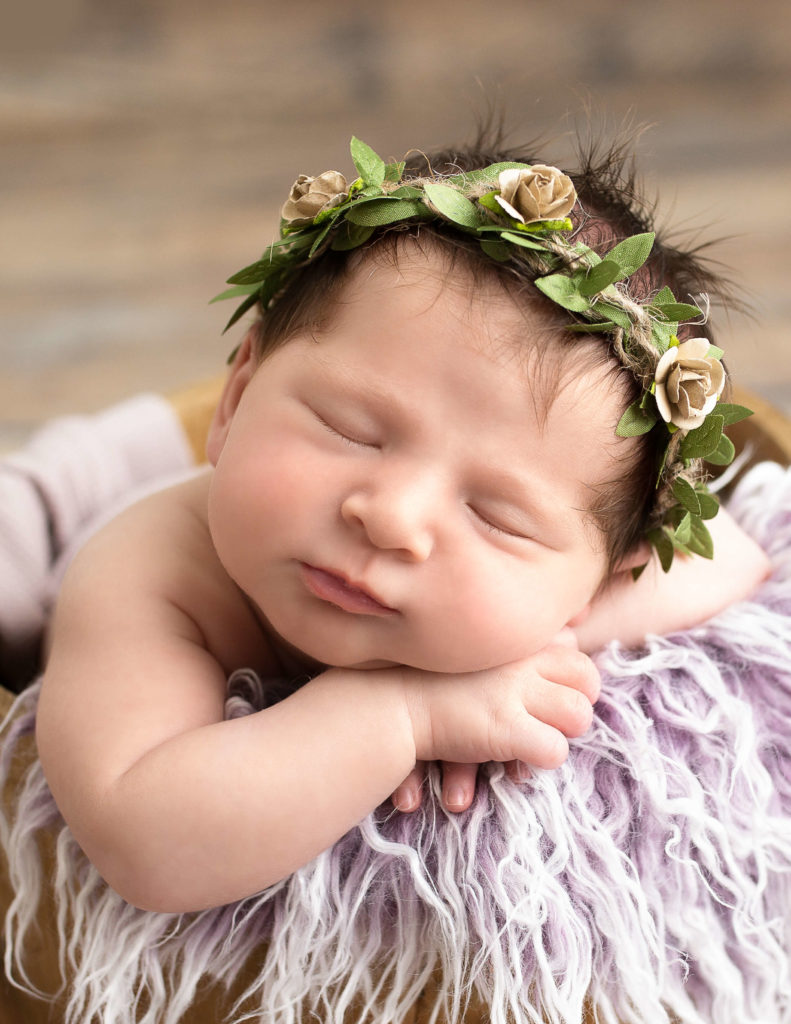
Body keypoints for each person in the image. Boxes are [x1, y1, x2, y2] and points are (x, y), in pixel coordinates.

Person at [31, 131, 769, 919]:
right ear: (237, 397)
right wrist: (405, 712)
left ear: (606, 574)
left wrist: (540, 638)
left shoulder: (602, 568)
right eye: (351, 430)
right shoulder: (152, 570)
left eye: (495, 515)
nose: (390, 518)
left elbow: (734, 559)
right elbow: (146, 844)